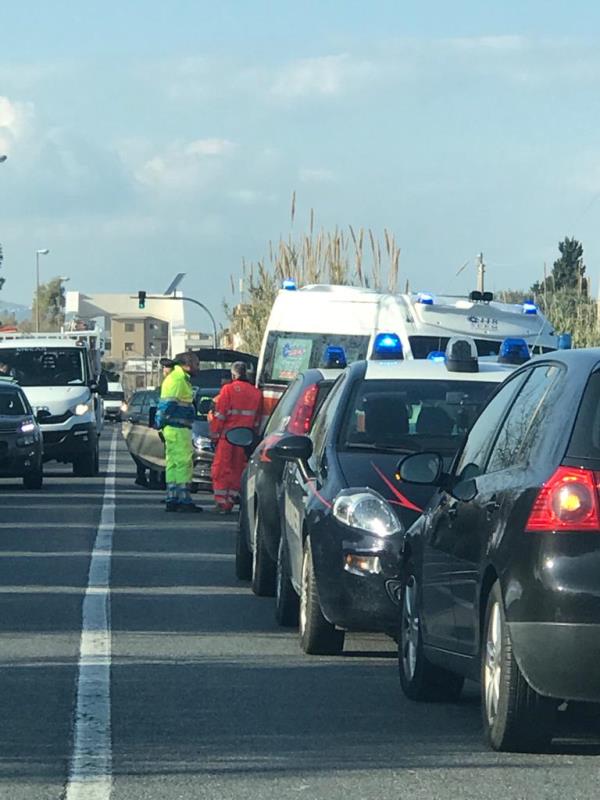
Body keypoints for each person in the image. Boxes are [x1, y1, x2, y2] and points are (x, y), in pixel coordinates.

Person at [209, 361, 262, 513]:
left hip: (227, 437)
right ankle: (231, 499)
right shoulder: (256, 393)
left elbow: (220, 416)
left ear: (233, 374)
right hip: (245, 438)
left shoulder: (227, 390)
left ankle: (221, 502)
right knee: (238, 470)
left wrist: (214, 435)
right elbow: (257, 420)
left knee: (221, 470)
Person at [155, 351, 203, 513]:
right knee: (183, 463)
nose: (198, 368)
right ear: (187, 365)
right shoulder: (178, 380)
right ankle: (183, 499)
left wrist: (161, 425)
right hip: (178, 428)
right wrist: (160, 423)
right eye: (196, 364)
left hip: (173, 428)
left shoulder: (176, 378)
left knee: (173, 464)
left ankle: (172, 497)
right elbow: (167, 406)